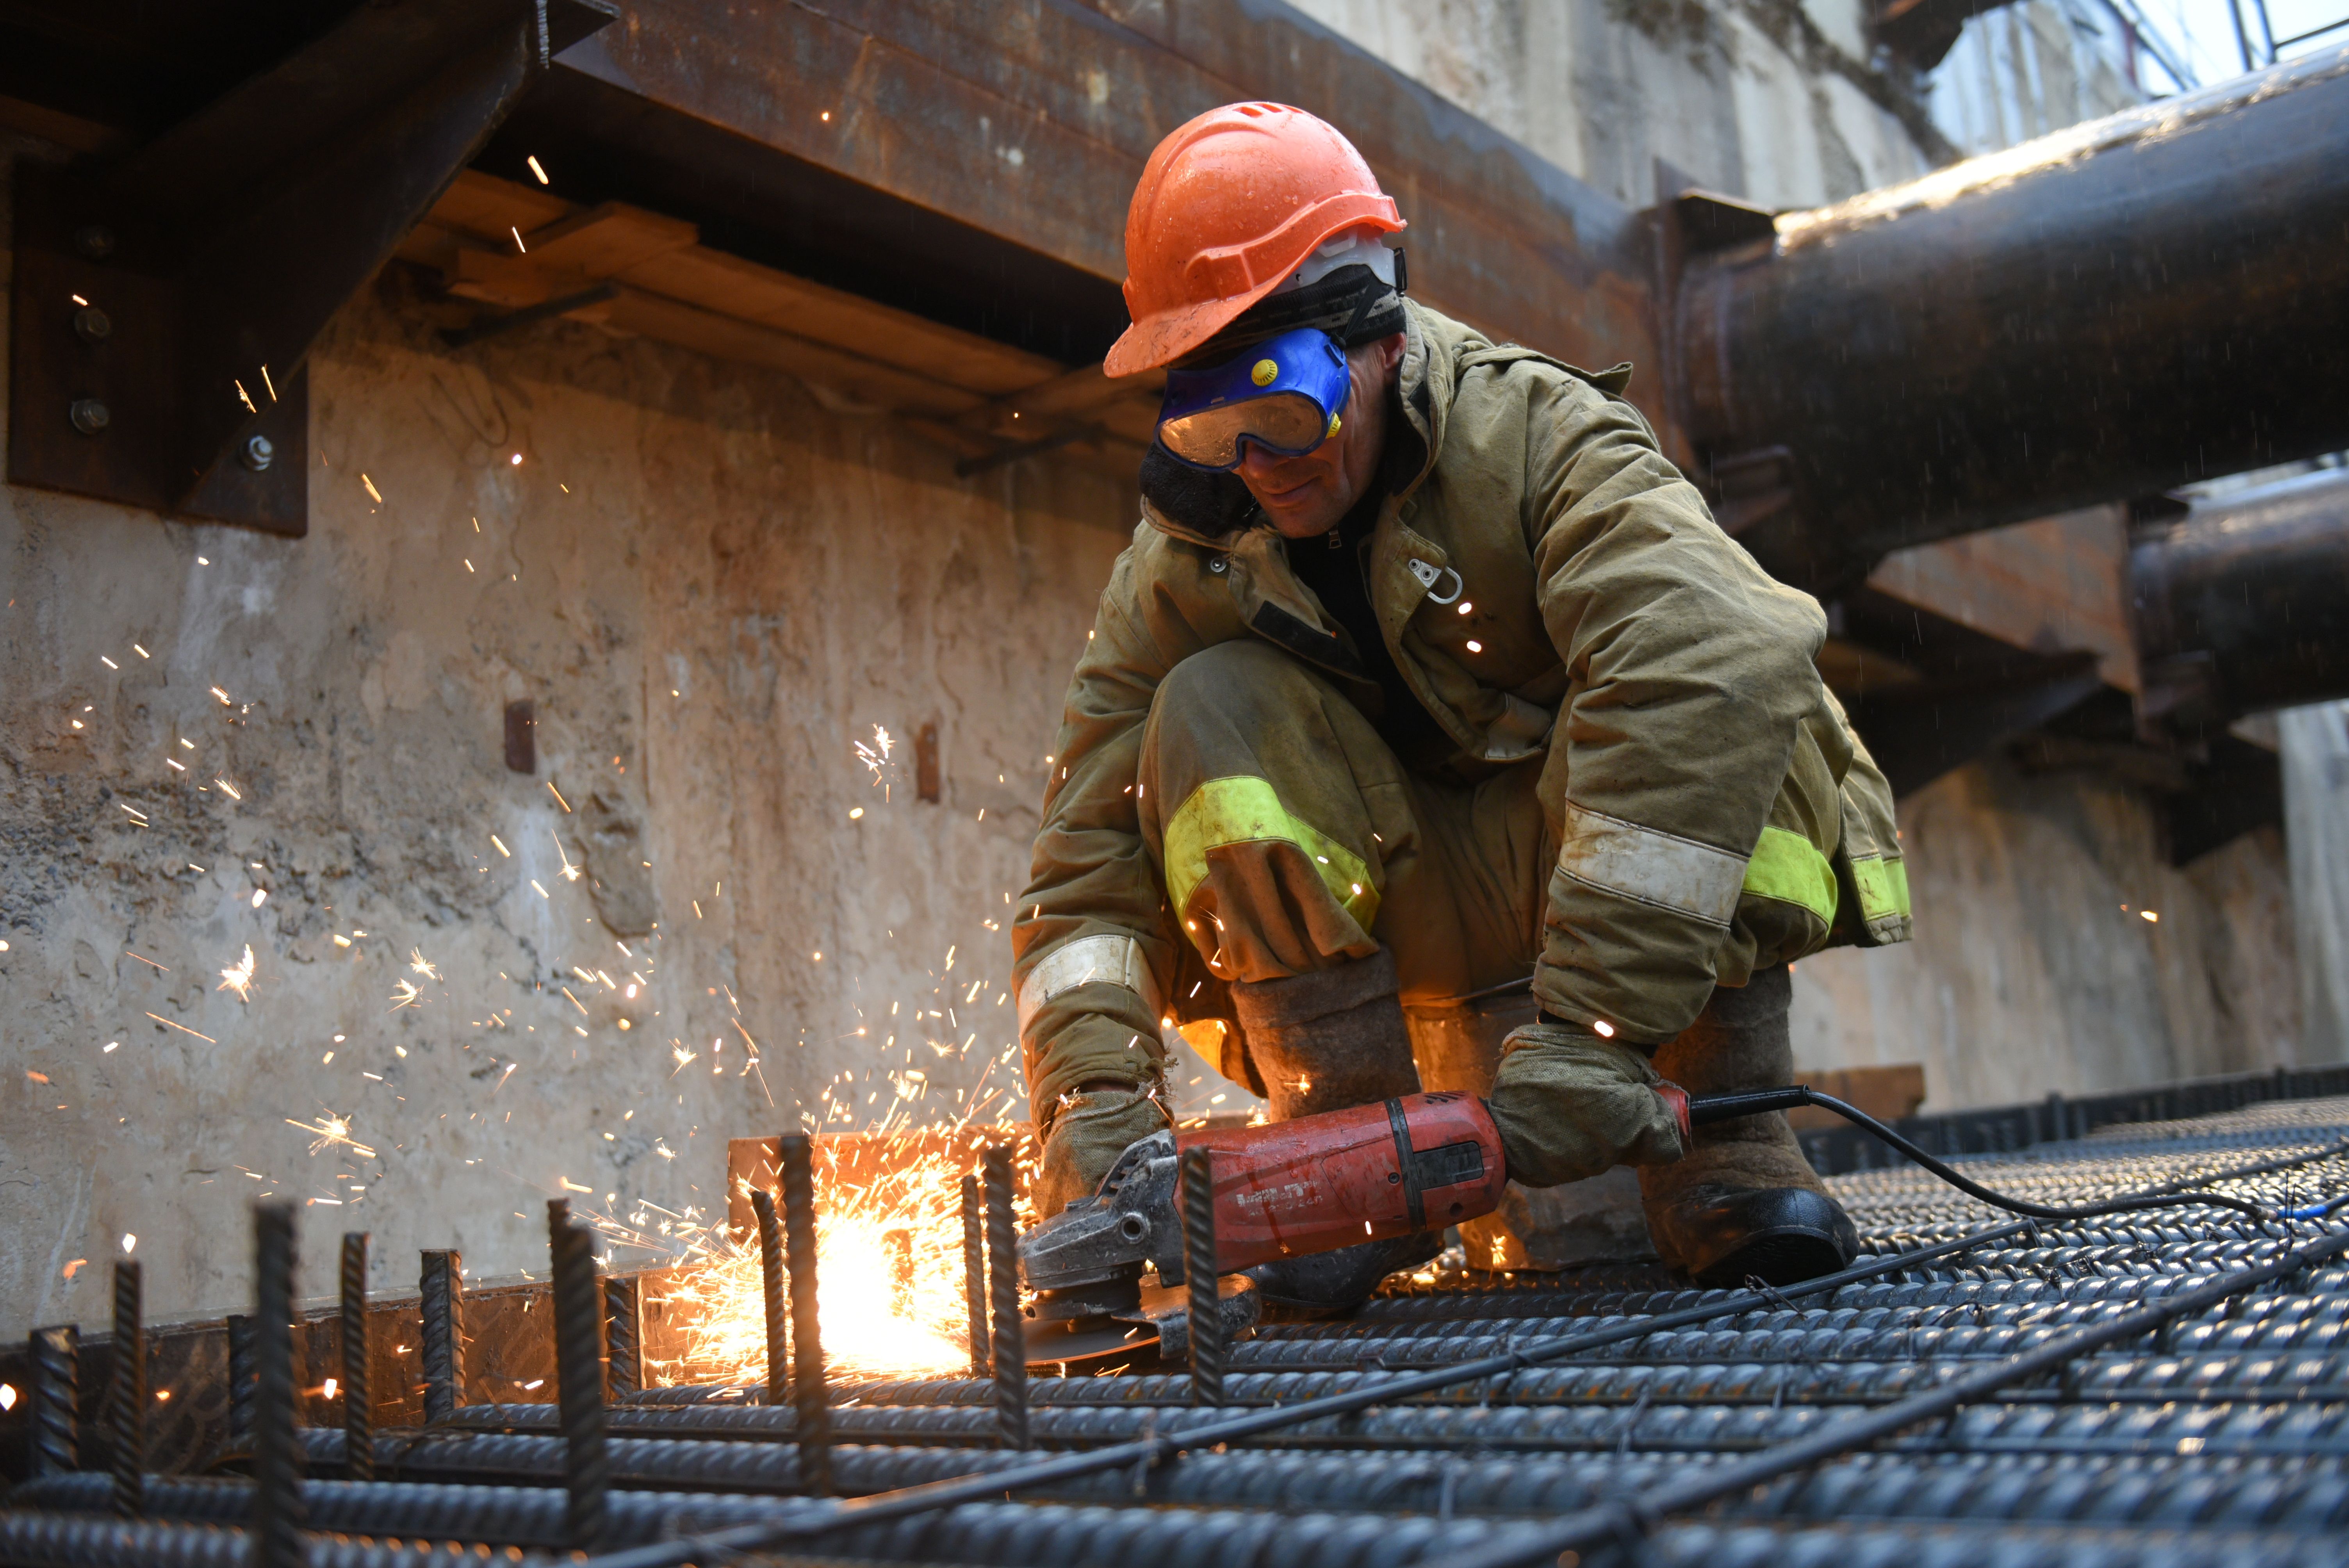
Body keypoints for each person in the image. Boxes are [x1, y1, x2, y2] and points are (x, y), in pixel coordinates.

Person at [1010, 102, 1911, 1314]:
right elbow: (1086, 867)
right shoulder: (1185, 552)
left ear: (1378, 343)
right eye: (1213, 425)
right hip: (1417, 920)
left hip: (1602, 931)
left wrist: (1592, 1031)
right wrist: (1093, 1121)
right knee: (1206, 707)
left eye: (1286, 412)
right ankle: (1342, 1162)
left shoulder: (1537, 437)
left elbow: (1710, 657)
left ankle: (1727, 1152)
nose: (1259, 464)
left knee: (1734, 668)